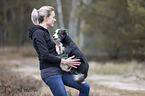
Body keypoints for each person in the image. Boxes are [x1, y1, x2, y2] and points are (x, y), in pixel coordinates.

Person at [28, 6, 90, 96]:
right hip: (50, 73)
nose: (55, 20)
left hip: (58, 69)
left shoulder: (45, 32)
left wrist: (57, 49)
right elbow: (44, 55)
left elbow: (49, 50)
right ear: (46, 18)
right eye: (53, 17)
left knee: (85, 87)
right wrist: (64, 61)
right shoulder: (38, 33)